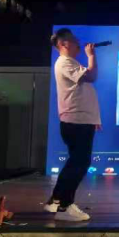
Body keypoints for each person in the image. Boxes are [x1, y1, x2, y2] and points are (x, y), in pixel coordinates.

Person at [44, 28, 101, 221]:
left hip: (80, 120)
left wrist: (94, 119)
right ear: (63, 44)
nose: (79, 44)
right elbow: (91, 76)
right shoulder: (65, 63)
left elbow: (83, 94)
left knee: (74, 162)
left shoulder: (70, 62)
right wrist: (91, 56)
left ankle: (55, 200)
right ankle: (65, 207)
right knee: (80, 163)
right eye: (74, 41)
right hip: (77, 121)